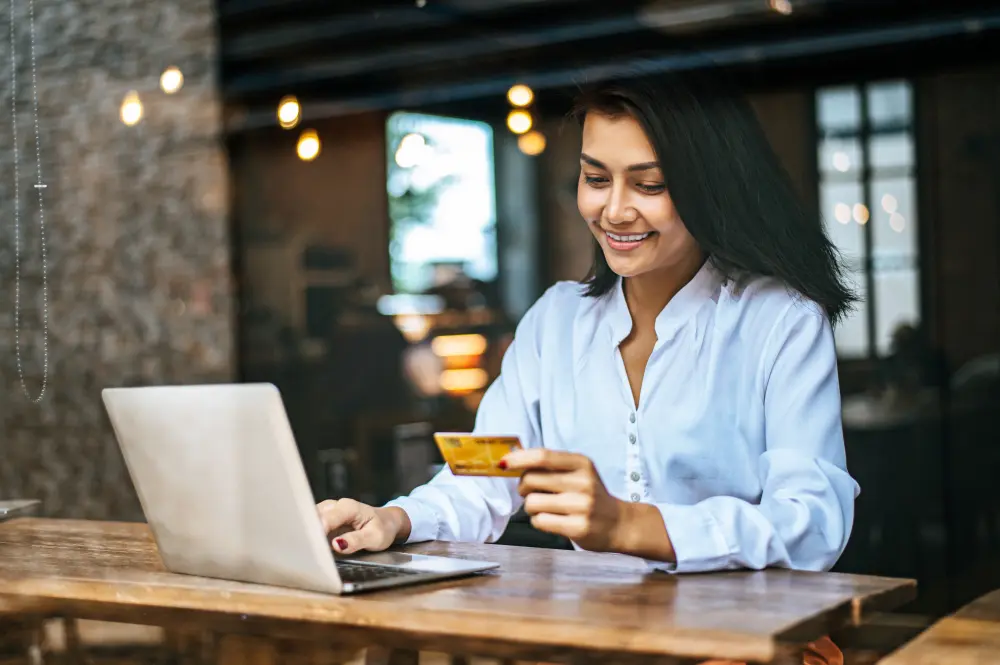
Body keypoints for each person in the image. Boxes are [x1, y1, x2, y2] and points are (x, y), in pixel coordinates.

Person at [319, 72, 859, 663]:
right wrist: (394, 519)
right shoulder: (556, 323)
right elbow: (483, 476)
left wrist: (631, 526)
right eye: (596, 179)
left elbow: (812, 520)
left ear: (710, 188)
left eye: (649, 184)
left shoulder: (777, 320)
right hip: (602, 643)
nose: (615, 210)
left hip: (748, 646)